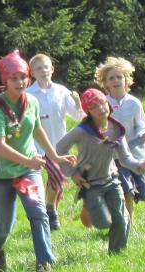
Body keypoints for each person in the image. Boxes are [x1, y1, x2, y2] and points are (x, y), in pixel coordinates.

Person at [0, 50, 76, 272]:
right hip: (2, 175)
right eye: (14, 78)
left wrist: (55, 156)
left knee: (38, 211)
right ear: (5, 80)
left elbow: (37, 130)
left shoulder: (32, 102)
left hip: (27, 172)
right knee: (6, 225)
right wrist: (29, 160)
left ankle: (44, 263)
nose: (20, 82)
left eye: (23, 77)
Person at [55, 88, 145, 253]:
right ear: (88, 111)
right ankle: (90, 207)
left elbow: (125, 159)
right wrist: (73, 171)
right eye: (95, 106)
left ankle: (117, 253)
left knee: (122, 220)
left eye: (103, 103)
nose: (101, 108)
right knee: (103, 222)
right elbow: (59, 148)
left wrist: (140, 165)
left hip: (112, 179)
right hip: (90, 183)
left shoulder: (116, 129)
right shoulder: (82, 130)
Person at [25, 53, 86, 231]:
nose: (43, 71)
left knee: (57, 177)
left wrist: (78, 103)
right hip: (37, 146)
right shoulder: (28, 95)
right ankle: (50, 210)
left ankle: (51, 211)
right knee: (56, 176)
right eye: (38, 68)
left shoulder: (61, 91)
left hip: (59, 144)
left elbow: (78, 116)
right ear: (32, 73)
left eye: (46, 67)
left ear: (52, 69)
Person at [95, 56, 145, 224]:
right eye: (111, 78)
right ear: (105, 82)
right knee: (126, 189)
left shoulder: (134, 103)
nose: (116, 80)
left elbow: (142, 124)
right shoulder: (103, 103)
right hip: (115, 157)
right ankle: (128, 223)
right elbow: (98, 127)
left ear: (127, 79)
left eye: (119, 77)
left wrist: (142, 134)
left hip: (135, 154)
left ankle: (121, 213)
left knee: (141, 191)